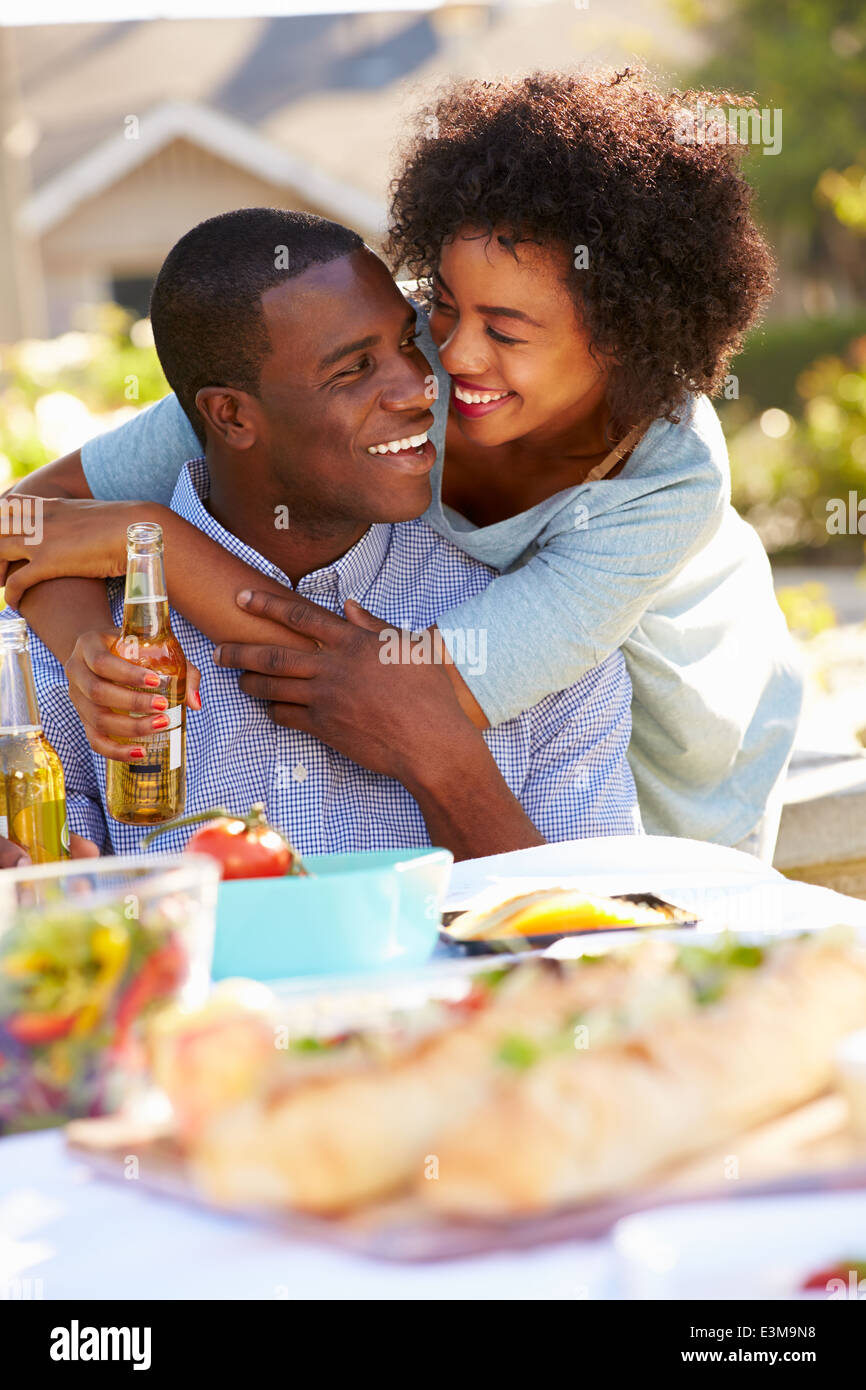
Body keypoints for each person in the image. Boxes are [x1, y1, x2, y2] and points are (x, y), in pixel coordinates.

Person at [0, 69, 801, 859]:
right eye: (442, 306)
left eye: (508, 332)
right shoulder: (378, 348)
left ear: (624, 338)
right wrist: (82, 651)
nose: (449, 357)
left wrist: (153, 539)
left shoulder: (667, 482)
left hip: (689, 744)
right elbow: (25, 523)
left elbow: (401, 704)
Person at [0, 209, 639, 861]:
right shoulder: (64, 655)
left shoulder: (542, 635)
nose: (420, 389)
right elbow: (61, 920)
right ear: (230, 416)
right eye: (355, 368)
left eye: (408, 342)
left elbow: (597, 939)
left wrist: (447, 768)